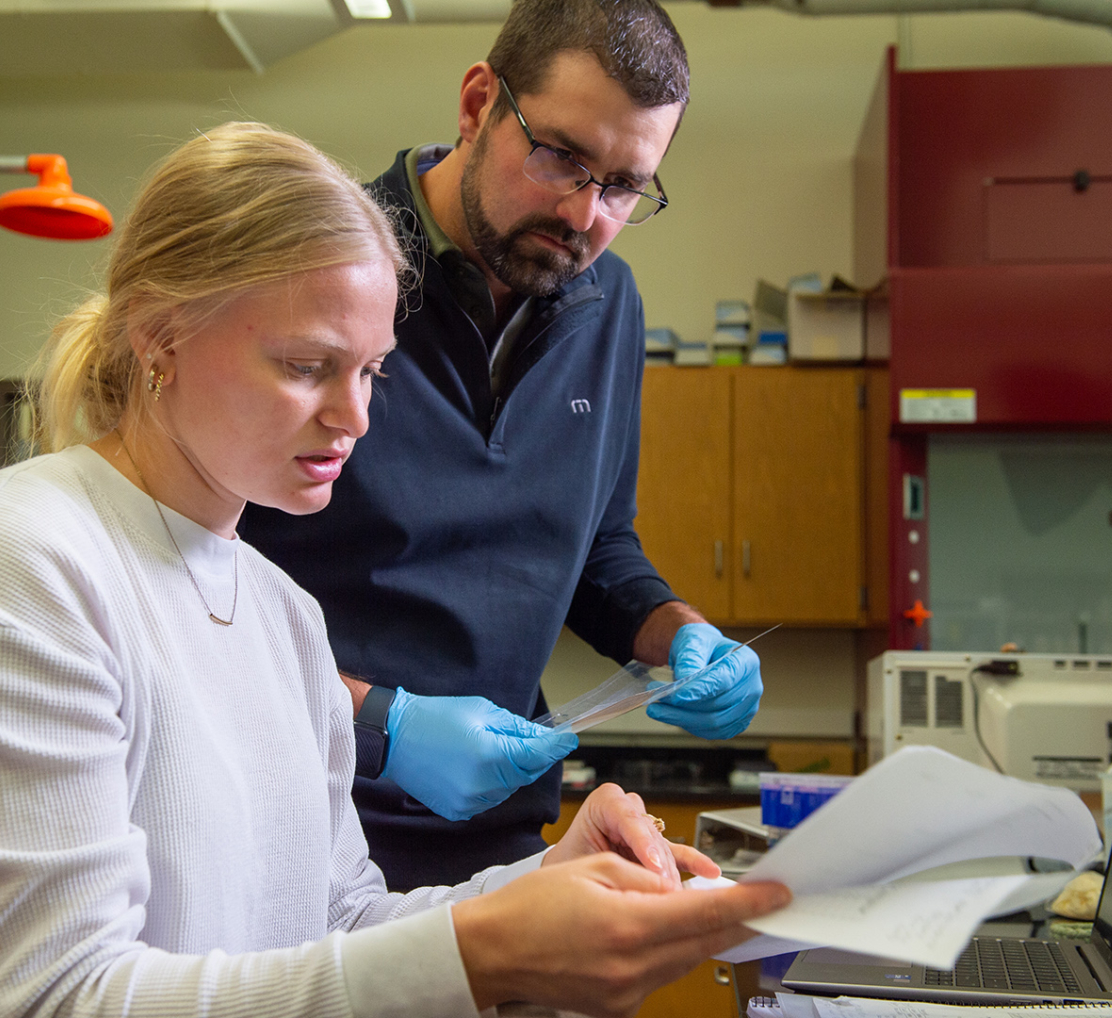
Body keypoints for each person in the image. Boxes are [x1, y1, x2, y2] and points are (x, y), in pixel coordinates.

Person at [0, 121, 789, 1018]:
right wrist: (483, 953)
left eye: (370, 370)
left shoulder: (277, 610)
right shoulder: (14, 566)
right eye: (307, 365)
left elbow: (335, 918)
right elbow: (51, 996)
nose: (353, 417)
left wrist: (529, 891)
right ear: (160, 334)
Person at [239, 0, 765, 890]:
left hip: (504, 835)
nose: (584, 213)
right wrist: (381, 727)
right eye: (561, 155)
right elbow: (191, 598)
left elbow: (597, 547)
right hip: (294, 822)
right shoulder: (322, 267)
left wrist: (677, 634)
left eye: (625, 185)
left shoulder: (611, 306)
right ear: (479, 102)